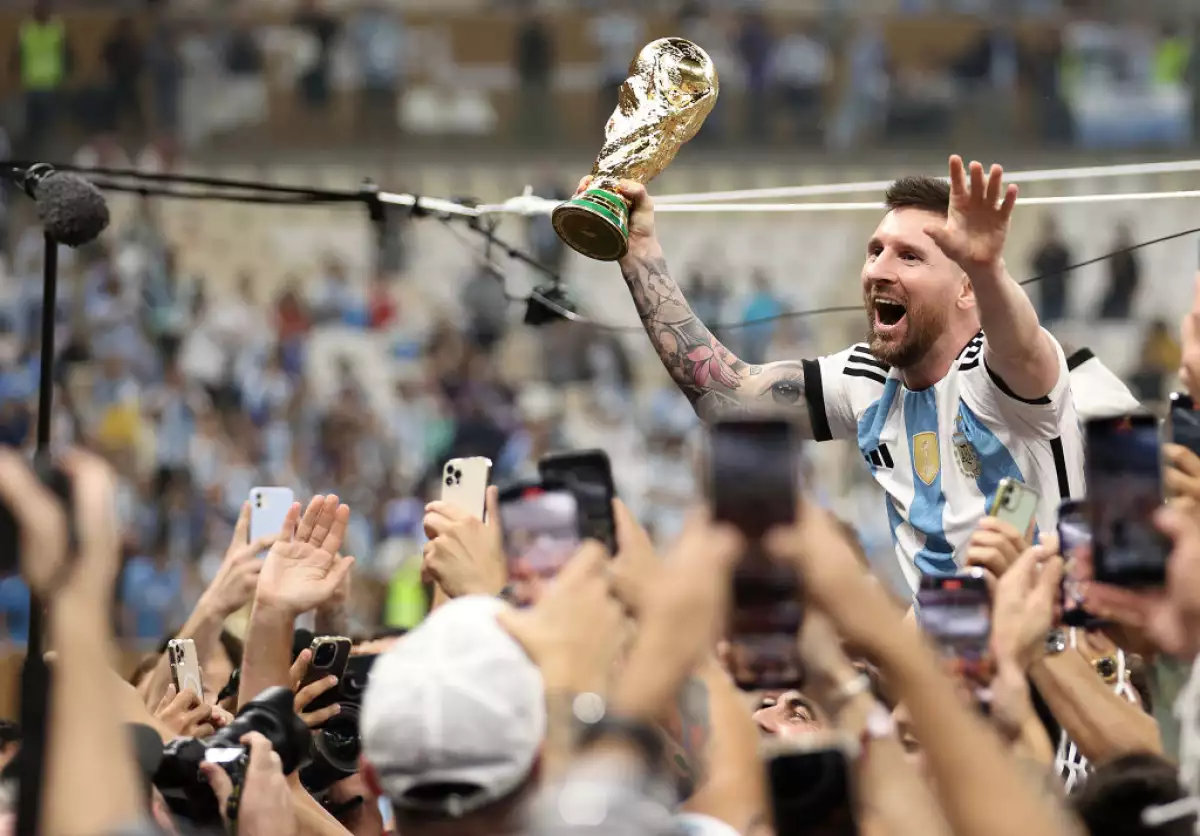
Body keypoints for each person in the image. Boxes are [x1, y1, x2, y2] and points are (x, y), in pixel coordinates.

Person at [597, 156, 1101, 586]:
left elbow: (1022, 347)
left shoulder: (1001, 377)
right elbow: (722, 394)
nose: (878, 270)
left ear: (966, 288)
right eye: (875, 251)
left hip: (1054, 652)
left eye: (909, 257)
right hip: (947, 655)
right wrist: (639, 254)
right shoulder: (866, 379)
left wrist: (988, 270)